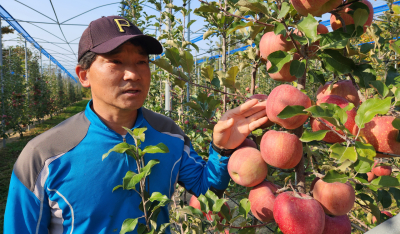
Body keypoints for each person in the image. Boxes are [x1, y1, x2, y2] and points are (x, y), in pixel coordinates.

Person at [4, 15, 267, 233]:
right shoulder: (44, 155)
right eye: (116, 62)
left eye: (142, 62)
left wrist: (221, 150)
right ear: (84, 75)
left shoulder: (169, 134)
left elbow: (204, 188)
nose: (133, 73)